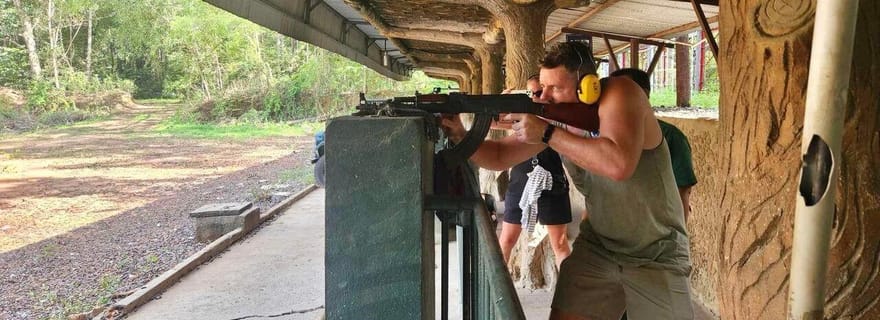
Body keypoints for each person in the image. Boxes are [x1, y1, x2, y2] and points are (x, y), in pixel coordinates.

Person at [442, 42, 693, 320]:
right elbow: (500, 155)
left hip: (656, 253)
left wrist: (547, 132)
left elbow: (619, 164)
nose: (545, 97)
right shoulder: (556, 117)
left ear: (589, 87)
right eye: (543, 87)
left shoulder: (622, 92)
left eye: (556, 89)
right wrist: (460, 134)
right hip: (599, 247)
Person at [498, 75, 572, 268]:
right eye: (531, 93)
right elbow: (496, 122)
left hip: (552, 179)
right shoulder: (522, 117)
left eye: (540, 92)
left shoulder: (561, 115)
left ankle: (567, 293)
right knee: (506, 241)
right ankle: (501, 294)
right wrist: (499, 104)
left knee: (560, 244)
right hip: (520, 179)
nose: (537, 97)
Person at [608, 68, 698, 219]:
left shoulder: (672, 137)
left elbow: (682, 191)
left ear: (643, 94)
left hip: (655, 229)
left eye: (623, 92)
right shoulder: (607, 133)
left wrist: (679, 235)